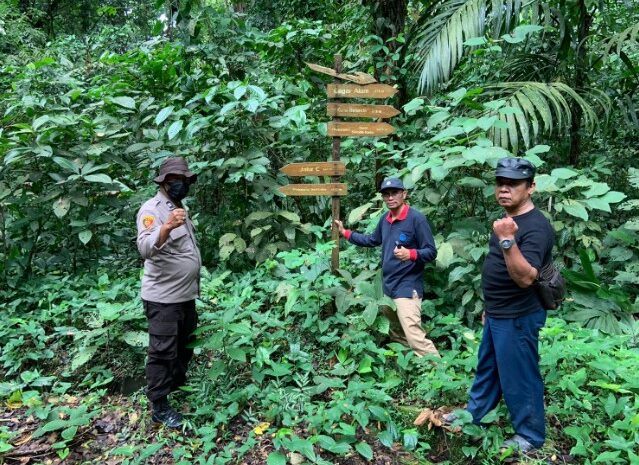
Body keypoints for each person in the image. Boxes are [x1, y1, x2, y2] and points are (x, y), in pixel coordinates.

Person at [444, 157, 554, 453]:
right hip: (499, 312)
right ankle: (474, 415)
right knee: (488, 368)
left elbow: (525, 278)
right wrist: (490, 307)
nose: (504, 189)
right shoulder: (509, 219)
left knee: (520, 374)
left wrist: (507, 240)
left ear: (531, 187)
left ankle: (530, 436)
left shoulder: (535, 227)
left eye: (513, 184)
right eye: (500, 183)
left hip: (519, 315)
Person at [335, 177, 439, 357]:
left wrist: (411, 254)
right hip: (388, 286)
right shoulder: (386, 219)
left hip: (407, 286)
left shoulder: (416, 219)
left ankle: (440, 373)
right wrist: (346, 233)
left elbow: (431, 252)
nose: (390, 197)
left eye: (394, 193)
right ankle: (414, 366)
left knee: (415, 336)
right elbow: (372, 240)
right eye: (386, 194)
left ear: (404, 194)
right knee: (394, 330)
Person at [136, 157, 201, 428]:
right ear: (164, 182)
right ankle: (159, 406)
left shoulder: (178, 206)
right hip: (163, 298)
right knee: (162, 352)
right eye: (177, 180)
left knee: (184, 346)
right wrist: (166, 227)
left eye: (185, 180)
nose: (182, 184)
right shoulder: (152, 209)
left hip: (184, 296)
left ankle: (175, 389)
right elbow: (145, 247)